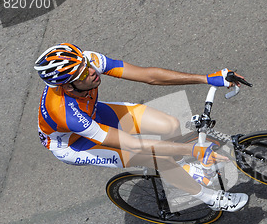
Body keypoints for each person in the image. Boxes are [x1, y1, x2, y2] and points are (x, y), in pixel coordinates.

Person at [34, 43, 248, 212]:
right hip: (76, 143)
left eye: (87, 64)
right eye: (82, 74)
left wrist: (206, 78)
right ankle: (211, 199)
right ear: (68, 86)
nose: (91, 71)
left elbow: (148, 76)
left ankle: (183, 171)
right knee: (157, 158)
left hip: (93, 113)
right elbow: (135, 145)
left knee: (170, 125)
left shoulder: (85, 64)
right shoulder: (65, 113)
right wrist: (191, 149)